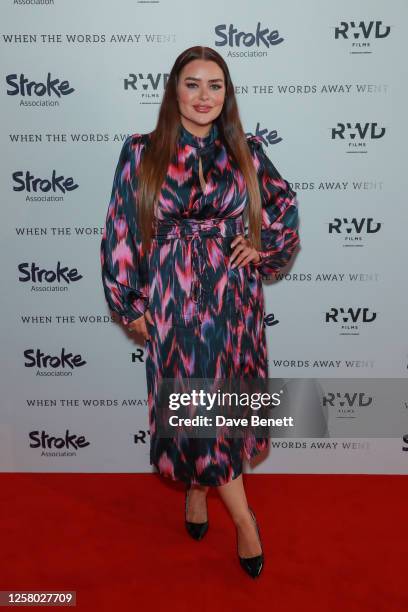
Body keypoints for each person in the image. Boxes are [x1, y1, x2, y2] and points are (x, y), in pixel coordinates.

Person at [100, 46, 300, 578]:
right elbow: (121, 227)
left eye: (216, 85)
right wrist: (127, 301)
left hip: (233, 298)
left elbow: (284, 206)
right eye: (193, 84)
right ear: (174, 91)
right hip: (172, 297)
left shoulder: (247, 150)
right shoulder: (142, 151)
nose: (204, 96)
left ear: (226, 94)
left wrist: (264, 247)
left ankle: (210, 498)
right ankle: (237, 514)